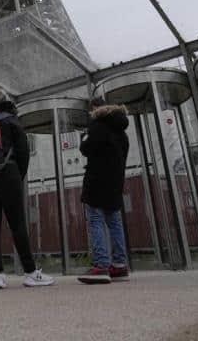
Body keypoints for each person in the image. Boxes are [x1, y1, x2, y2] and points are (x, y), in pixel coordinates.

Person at [0, 87, 55, 289]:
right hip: (7, 174)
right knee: (17, 222)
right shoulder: (11, 120)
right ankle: (30, 272)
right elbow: (23, 152)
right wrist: (18, 176)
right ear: (7, 102)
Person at [77, 96, 131, 284]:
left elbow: (85, 148)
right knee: (114, 222)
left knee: (96, 220)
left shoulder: (98, 126)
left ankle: (100, 266)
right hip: (115, 182)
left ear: (94, 108)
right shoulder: (122, 133)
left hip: (97, 181)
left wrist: (85, 135)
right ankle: (119, 265)